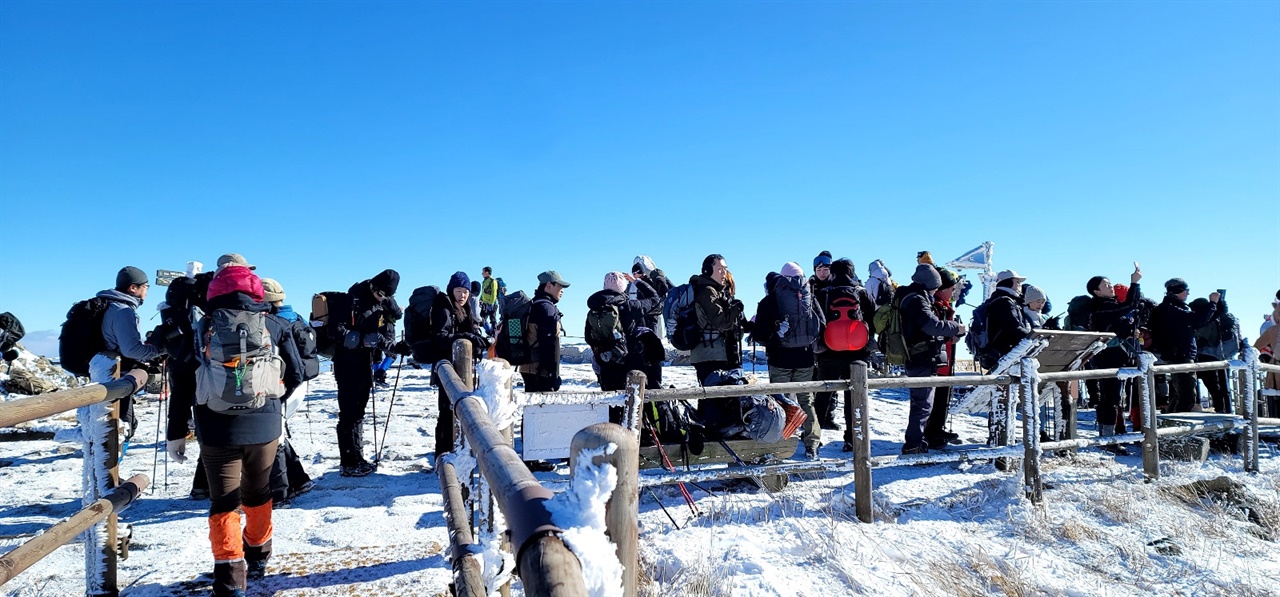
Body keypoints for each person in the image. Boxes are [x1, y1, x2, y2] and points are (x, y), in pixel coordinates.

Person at [181, 264, 303, 596]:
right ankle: (259, 554)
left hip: (215, 425)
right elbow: (296, 373)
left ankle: (230, 578)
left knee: (223, 500)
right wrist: (270, 400)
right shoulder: (276, 324)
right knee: (257, 491)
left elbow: (182, 380)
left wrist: (177, 429)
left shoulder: (199, 328)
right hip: (264, 423)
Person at [331, 269, 409, 477]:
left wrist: (395, 347)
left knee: (359, 411)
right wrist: (359, 339)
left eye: (386, 296)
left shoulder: (379, 304)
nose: (382, 299)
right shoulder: (351, 300)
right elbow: (336, 330)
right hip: (346, 363)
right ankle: (348, 462)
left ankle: (357, 458)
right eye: (380, 294)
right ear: (373, 287)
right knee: (349, 413)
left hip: (365, 362)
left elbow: (376, 336)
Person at [753, 263, 825, 458]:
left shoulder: (770, 300)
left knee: (778, 401)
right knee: (806, 400)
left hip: (779, 358)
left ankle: (780, 441)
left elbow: (759, 333)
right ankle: (812, 443)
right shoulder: (809, 296)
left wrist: (773, 337)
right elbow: (822, 324)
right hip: (805, 357)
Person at [90, 266, 164, 441]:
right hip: (115, 374)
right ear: (133, 288)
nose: (147, 291)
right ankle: (112, 458)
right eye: (146, 286)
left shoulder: (109, 304)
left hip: (102, 371)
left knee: (109, 425)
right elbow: (131, 350)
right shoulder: (122, 310)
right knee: (122, 426)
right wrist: (159, 350)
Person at [899, 264, 965, 454]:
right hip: (921, 357)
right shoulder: (917, 300)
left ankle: (917, 441)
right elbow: (931, 325)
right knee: (922, 405)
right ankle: (913, 444)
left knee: (922, 404)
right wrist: (955, 328)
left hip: (918, 356)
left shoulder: (911, 297)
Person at [261, 278, 316, 504]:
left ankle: (282, 491)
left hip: (285, 383)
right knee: (279, 431)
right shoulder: (297, 317)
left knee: (276, 435)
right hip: (301, 382)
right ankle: (299, 479)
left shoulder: (274, 322)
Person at [813, 258, 876, 446]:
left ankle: (813, 437)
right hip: (857, 353)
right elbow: (872, 319)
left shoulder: (824, 293)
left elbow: (817, 320)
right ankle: (852, 438)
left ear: (833, 273)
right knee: (854, 395)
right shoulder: (861, 292)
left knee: (824, 394)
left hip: (829, 351)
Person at [427, 272, 489, 457]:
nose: (462, 295)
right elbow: (440, 338)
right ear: (451, 290)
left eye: (465, 292)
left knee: (457, 412)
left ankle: (455, 452)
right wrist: (466, 337)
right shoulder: (443, 308)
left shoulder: (465, 308)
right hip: (446, 369)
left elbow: (467, 331)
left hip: (461, 368)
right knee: (446, 413)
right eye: (459, 291)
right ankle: (443, 455)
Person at [584, 271, 664, 391]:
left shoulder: (594, 311)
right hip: (631, 364)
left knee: (613, 403)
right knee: (634, 403)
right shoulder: (630, 306)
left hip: (607, 365)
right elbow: (655, 299)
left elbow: (589, 338)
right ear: (623, 287)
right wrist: (636, 281)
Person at [1151, 278, 1219, 413]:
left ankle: (1170, 422)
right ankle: (1177, 426)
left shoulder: (1167, 308)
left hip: (1177, 353)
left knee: (1180, 392)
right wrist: (1212, 304)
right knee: (1187, 393)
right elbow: (1196, 321)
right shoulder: (1171, 309)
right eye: (1186, 291)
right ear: (1178, 292)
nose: (1188, 293)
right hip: (1180, 354)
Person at [688, 254, 746, 385]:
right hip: (710, 355)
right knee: (713, 399)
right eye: (720, 269)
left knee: (715, 399)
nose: (724, 272)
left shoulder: (715, 290)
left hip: (713, 353)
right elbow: (721, 322)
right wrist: (736, 309)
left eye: (725, 269)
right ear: (707, 270)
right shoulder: (707, 291)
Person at [923, 268, 962, 449]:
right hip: (937, 360)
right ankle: (932, 433)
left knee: (942, 398)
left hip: (943, 359)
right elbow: (935, 331)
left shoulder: (942, 305)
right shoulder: (936, 305)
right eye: (952, 288)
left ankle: (938, 429)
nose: (954, 292)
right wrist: (953, 333)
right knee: (936, 399)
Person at [520, 270, 570, 392]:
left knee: (532, 409)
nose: (562, 290)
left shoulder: (533, 304)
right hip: (540, 371)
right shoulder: (546, 309)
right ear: (549, 285)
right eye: (560, 286)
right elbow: (549, 344)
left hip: (528, 367)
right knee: (542, 410)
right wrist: (553, 375)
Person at [1192, 296, 1242, 413]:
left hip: (1207, 355)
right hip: (1225, 355)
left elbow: (1203, 340)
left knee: (1212, 384)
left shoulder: (1210, 320)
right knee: (1224, 385)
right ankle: (1227, 409)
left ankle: (1220, 408)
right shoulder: (1227, 318)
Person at [479, 267, 500, 334]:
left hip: (492, 304)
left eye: (483, 272)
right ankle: (489, 331)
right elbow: (483, 292)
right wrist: (480, 299)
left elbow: (494, 293)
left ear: (487, 272)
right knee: (481, 318)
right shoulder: (484, 281)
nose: (482, 274)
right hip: (484, 303)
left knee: (492, 319)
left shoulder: (493, 281)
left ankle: (494, 332)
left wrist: (491, 303)